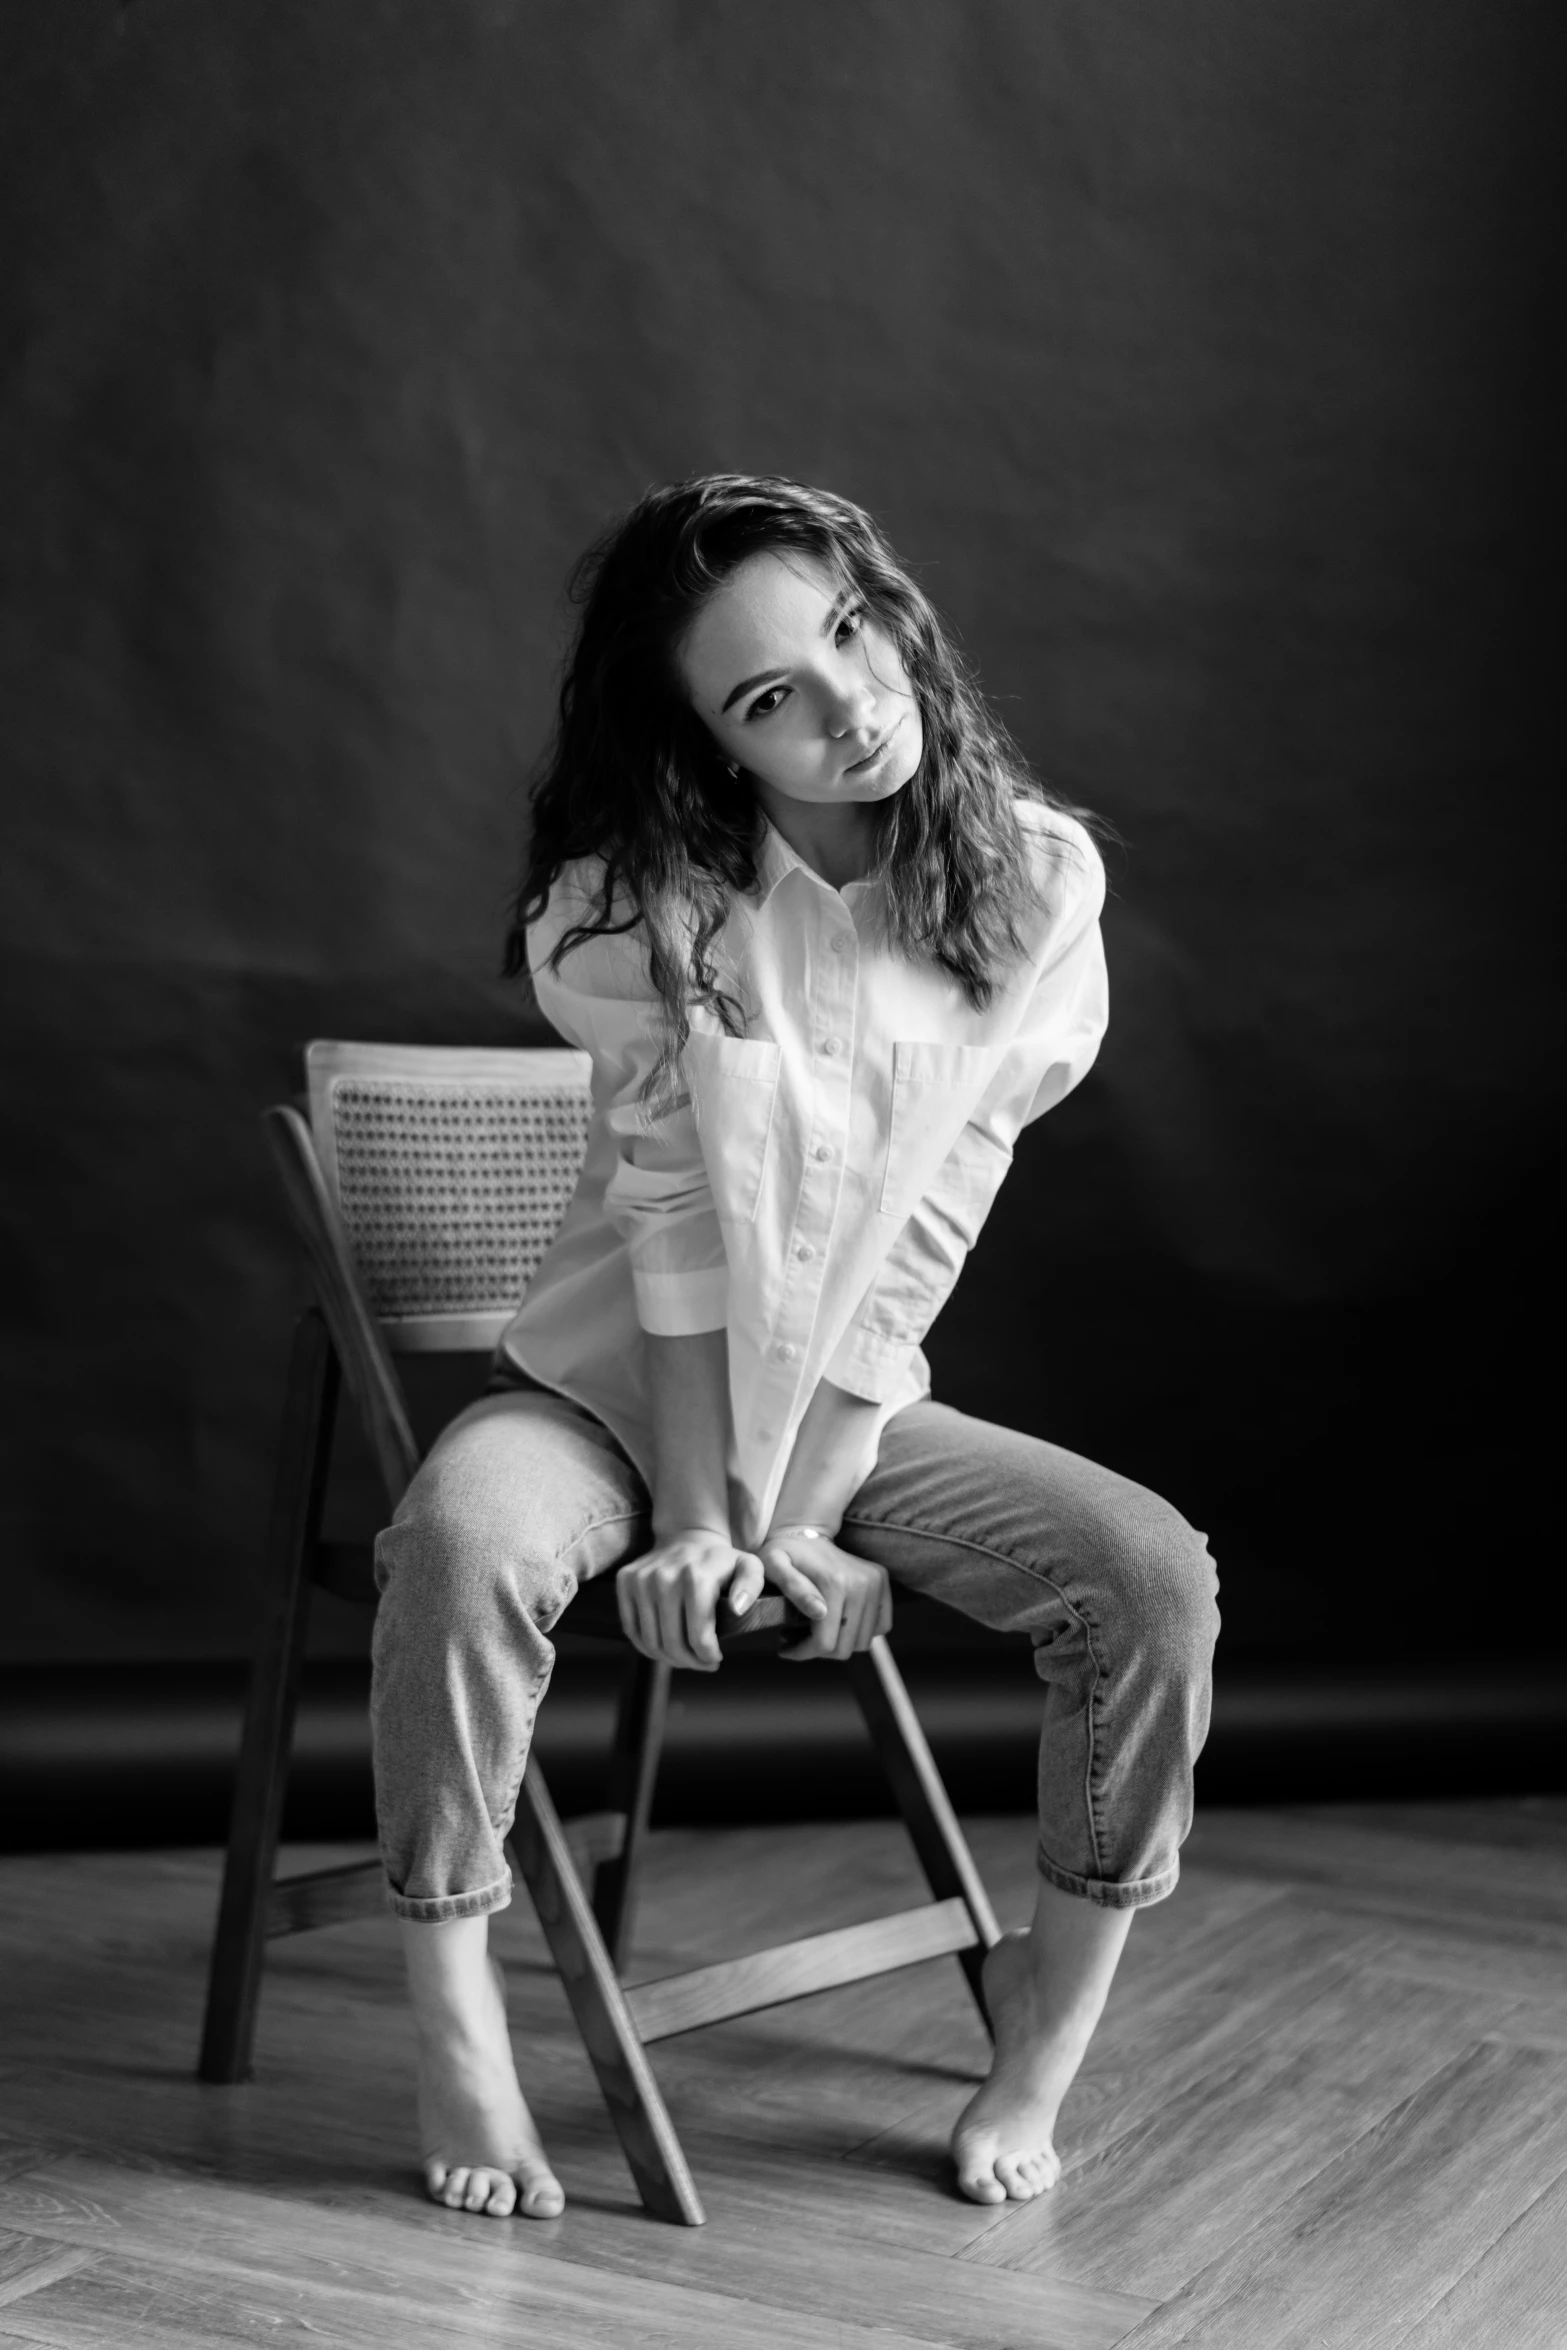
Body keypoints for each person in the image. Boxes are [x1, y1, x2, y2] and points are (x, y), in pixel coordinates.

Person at [369, 473, 1219, 2222]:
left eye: (847, 630)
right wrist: (704, 1522)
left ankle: (1039, 2046)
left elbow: (924, 1231)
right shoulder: (638, 912)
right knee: (458, 1540)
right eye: (769, 696)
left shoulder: (1034, 879)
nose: (846, 705)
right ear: (705, 741)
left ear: (891, 602)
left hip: (849, 1411)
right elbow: (674, 1234)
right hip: (607, 1402)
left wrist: (802, 1515)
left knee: (1147, 1577)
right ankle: (455, 2018)